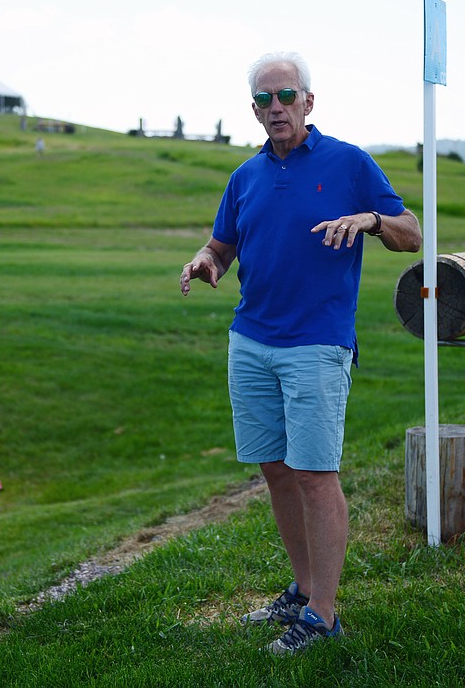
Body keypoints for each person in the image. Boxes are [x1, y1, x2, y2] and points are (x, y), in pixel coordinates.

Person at [179, 51, 422, 655]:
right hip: (251, 341)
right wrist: (206, 261)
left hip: (317, 345)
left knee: (315, 475)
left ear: (308, 101)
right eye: (264, 99)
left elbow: (411, 232)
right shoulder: (246, 176)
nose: (275, 107)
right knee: (276, 471)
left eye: (285, 95)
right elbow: (222, 246)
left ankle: (324, 615)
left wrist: (367, 219)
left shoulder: (348, 163)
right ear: (254, 110)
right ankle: (305, 588)